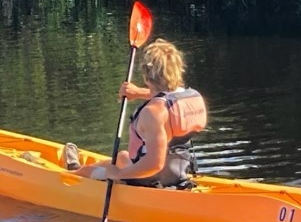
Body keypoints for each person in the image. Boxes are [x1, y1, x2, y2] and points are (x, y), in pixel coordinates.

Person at [66, 39, 208, 188]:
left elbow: (154, 164)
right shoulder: (194, 98)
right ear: (177, 70)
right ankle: (77, 169)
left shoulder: (152, 114)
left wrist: (117, 175)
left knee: (113, 163)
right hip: (178, 175)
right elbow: (168, 98)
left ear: (146, 76)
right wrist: (138, 92)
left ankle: (72, 176)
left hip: (151, 181)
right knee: (119, 158)